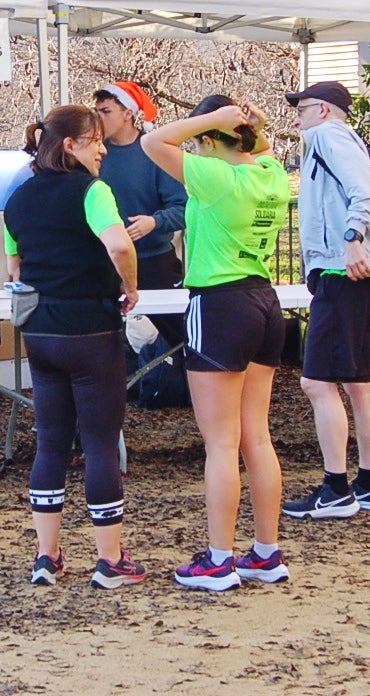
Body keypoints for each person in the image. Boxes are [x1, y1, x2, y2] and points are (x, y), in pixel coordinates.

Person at [143, 94, 292, 591]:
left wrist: (209, 120)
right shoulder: (270, 174)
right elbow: (261, 150)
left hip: (220, 302)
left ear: (208, 140)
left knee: (222, 442)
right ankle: (266, 553)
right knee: (257, 437)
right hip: (264, 301)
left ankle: (219, 560)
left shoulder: (215, 177)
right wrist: (249, 125)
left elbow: (153, 141)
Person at [3, 104, 146, 589]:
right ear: (70, 145)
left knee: (51, 442)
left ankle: (47, 556)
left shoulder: (18, 198)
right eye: (95, 140)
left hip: (40, 333)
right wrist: (130, 286)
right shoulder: (93, 191)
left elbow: (16, 268)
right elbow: (120, 244)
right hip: (90, 330)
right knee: (101, 443)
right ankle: (110, 559)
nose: (103, 150)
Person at [282, 81, 370, 520]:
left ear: (324, 110)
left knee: (317, 382)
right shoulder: (336, 138)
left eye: (302, 109)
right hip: (354, 275)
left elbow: (368, 193)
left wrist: (351, 237)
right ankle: (368, 484)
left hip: (342, 272)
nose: (297, 118)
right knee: (358, 382)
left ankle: (336, 488)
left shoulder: (329, 136)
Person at [92, 82, 188, 362]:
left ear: (128, 114)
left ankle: (191, 380)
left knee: (181, 335)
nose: (98, 118)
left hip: (154, 261)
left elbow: (184, 208)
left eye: (106, 111)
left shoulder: (154, 153)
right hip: (104, 262)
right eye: (96, 111)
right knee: (101, 337)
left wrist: (154, 222)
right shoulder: (93, 153)